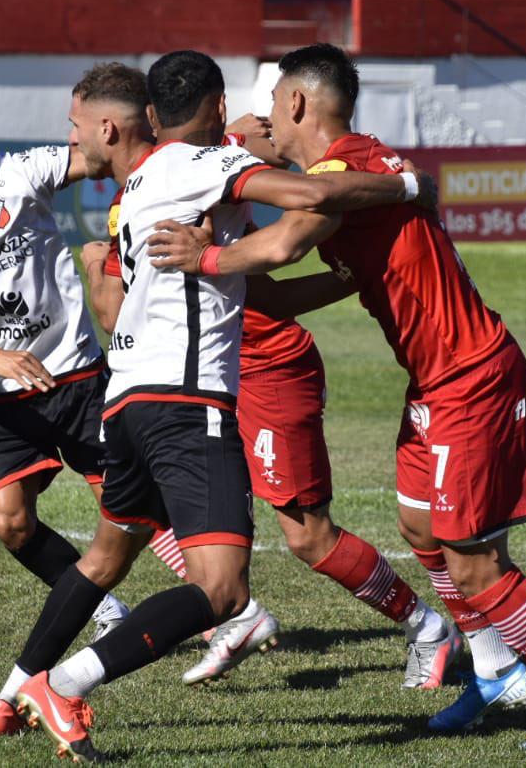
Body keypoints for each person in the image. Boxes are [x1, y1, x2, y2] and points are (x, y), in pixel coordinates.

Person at [148, 43, 526, 749]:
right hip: (436, 380)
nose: (266, 116)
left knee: (471, 558)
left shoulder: (346, 171)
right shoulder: (355, 167)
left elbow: (282, 244)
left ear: (301, 103)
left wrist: (208, 258)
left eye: (275, 101)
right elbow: (288, 264)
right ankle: (496, 667)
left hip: (473, 377)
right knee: (419, 525)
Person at [11, 50, 434, 762]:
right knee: (232, 579)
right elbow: (305, 205)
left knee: (112, 557)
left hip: (149, 395)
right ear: (207, 107)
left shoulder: (155, 177)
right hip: (190, 397)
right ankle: (65, 681)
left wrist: (337, 279)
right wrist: (406, 185)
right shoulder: (200, 164)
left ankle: (12, 689)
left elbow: (245, 289)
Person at [81, 81, 463, 690]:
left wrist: (387, 209)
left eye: (80, 129)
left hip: (264, 365)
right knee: (141, 506)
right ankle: (232, 610)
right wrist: (98, 263)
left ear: (126, 125)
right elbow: (111, 316)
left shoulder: (230, 146)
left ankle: (426, 626)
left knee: (308, 536)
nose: (75, 146)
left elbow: (310, 176)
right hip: (189, 380)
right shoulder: (131, 198)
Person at [0, 86, 174, 738]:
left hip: (75, 376)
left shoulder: (22, 173)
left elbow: (106, 155)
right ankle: (108, 611)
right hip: (1, 394)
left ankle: (225, 610)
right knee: (10, 521)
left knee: (133, 507)